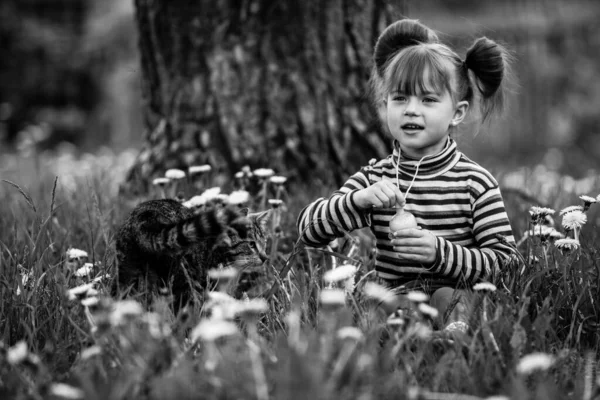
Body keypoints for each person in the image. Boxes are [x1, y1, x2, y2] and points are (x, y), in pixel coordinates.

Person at [297, 19, 516, 336]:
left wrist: (439, 253)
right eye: (400, 98)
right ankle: (408, 341)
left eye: (428, 100)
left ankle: (454, 339)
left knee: (450, 299)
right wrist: (358, 200)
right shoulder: (376, 177)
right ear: (385, 105)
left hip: (457, 292)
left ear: (457, 112)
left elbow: (507, 264)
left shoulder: (474, 182)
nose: (412, 110)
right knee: (387, 307)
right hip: (397, 295)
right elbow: (308, 231)